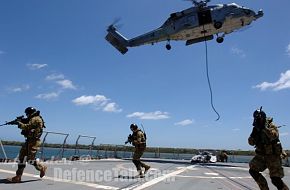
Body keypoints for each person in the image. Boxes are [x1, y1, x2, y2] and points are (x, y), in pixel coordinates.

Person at [248, 107, 289, 190]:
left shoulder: (271, 125)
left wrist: (264, 129)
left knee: (275, 180)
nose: (258, 120)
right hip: (261, 156)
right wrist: (253, 135)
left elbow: (274, 136)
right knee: (253, 170)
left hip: (273, 156)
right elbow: (251, 143)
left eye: (259, 118)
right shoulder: (256, 128)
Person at [7, 107, 47, 183]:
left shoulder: (35, 119)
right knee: (21, 158)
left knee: (30, 160)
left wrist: (18, 123)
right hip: (28, 140)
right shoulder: (32, 118)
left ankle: (42, 167)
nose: (26, 115)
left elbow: (27, 126)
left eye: (27, 114)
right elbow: (27, 124)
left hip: (34, 141)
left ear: (29, 113)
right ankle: (18, 177)